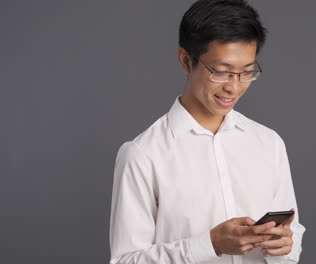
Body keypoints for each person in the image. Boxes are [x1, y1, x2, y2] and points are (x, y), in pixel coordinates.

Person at [109, 0, 306, 263]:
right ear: (186, 61)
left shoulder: (268, 143)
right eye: (222, 72)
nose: (234, 88)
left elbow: (291, 242)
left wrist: (286, 246)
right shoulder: (143, 155)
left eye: (246, 72)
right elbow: (125, 261)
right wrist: (209, 245)